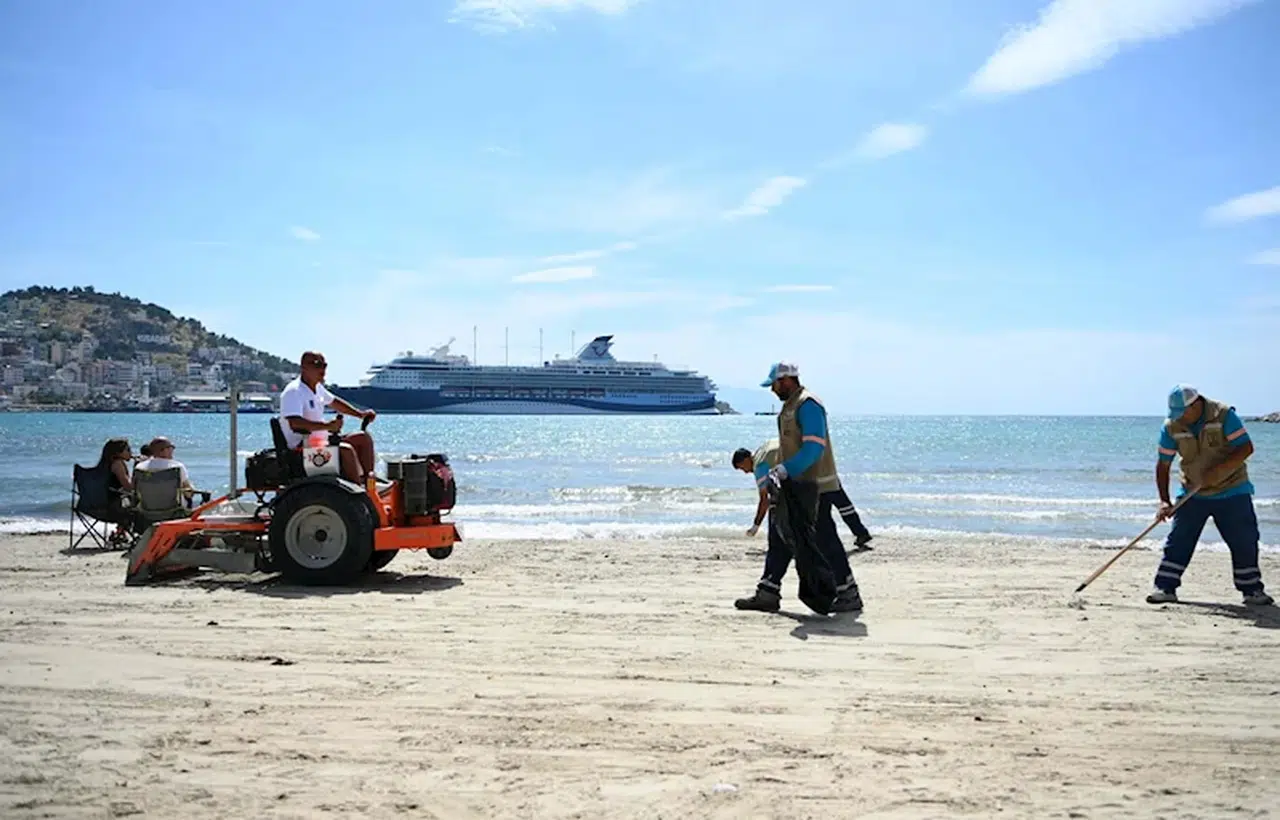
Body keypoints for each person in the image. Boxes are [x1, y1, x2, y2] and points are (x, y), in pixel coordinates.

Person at [732, 362, 863, 614]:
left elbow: (814, 448)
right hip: (794, 486)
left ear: (786, 380)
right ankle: (768, 591)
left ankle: (848, 592)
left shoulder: (808, 404)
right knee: (780, 536)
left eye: (774, 384)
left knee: (825, 538)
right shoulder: (790, 407)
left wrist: (784, 469)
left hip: (816, 486)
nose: (772, 389)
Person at [1148, 385, 1272, 606]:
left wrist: (1219, 472)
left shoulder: (1223, 415)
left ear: (1195, 405)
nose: (1181, 419)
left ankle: (1252, 590)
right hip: (1192, 492)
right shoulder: (1171, 426)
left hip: (1233, 489)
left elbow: (1245, 448)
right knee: (1178, 540)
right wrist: (1164, 500)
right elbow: (1163, 464)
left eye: (1183, 413)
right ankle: (1165, 587)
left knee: (1244, 540)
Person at [279, 351, 378, 483]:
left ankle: (368, 482)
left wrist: (360, 414)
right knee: (346, 450)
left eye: (324, 365)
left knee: (363, 438)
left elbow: (335, 402)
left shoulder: (318, 388)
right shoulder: (294, 391)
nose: (322, 369)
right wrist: (328, 426)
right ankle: (359, 494)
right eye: (316, 364)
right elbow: (295, 423)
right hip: (302, 451)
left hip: (320, 442)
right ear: (303, 367)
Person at [135, 436, 203, 501]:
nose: (173, 450)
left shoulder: (140, 468)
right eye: (171, 447)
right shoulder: (177, 467)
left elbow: (135, 489)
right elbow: (189, 494)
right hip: (173, 510)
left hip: (147, 508)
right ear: (163, 450)